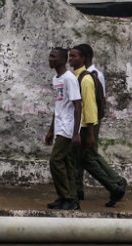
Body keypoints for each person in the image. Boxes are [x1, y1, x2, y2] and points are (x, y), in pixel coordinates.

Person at [69, 44, 127, 208]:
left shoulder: (92, 76)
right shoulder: (79, 75)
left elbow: (93, 104)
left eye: (74, 56)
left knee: (88, 157)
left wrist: (90, 130)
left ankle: (116, 183)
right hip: (85, 122)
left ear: (85, 58)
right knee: (79, 156)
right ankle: (77, 190)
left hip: (89, 122)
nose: (70, 59)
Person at [44, 47, 82, 211]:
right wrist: (51, 130)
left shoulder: (69, 79)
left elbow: (78, 105)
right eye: (50, 56)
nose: (50, 59)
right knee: (65, 163)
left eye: (53, 56)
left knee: (55, 160)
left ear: (62, 60)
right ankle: (68, 199)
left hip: (68, 127)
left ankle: (68, 197)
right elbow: (58, 107)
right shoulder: (56, 79)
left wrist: (76, 132)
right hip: (60, 126)